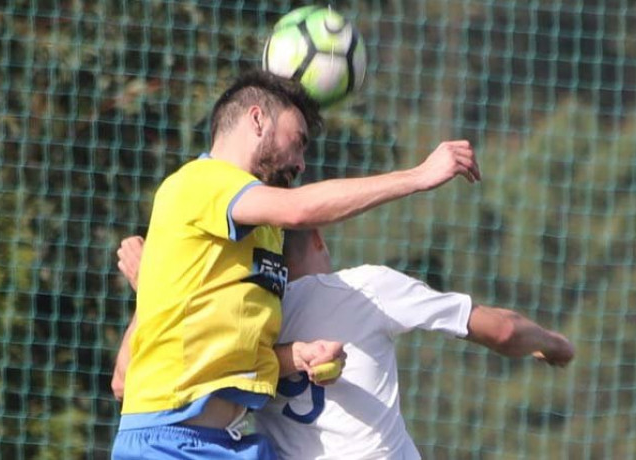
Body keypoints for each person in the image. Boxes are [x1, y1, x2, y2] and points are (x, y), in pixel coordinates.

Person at [112, 70, 481, 460]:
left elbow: (233, 358)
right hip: (167, 444)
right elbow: (300, 208)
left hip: (229, 444)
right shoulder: (201, 181)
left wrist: (299, 356)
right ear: (257, 119)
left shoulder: (261, 231)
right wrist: (418, 176)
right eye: (298, 141)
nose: (302, 163)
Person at [113, 231, 575, 459]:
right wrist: (551, 343)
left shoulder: (242, 323)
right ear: (316, 238)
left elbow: (125, 382)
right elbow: (502, 330)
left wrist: (154, 291)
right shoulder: (365, 287)